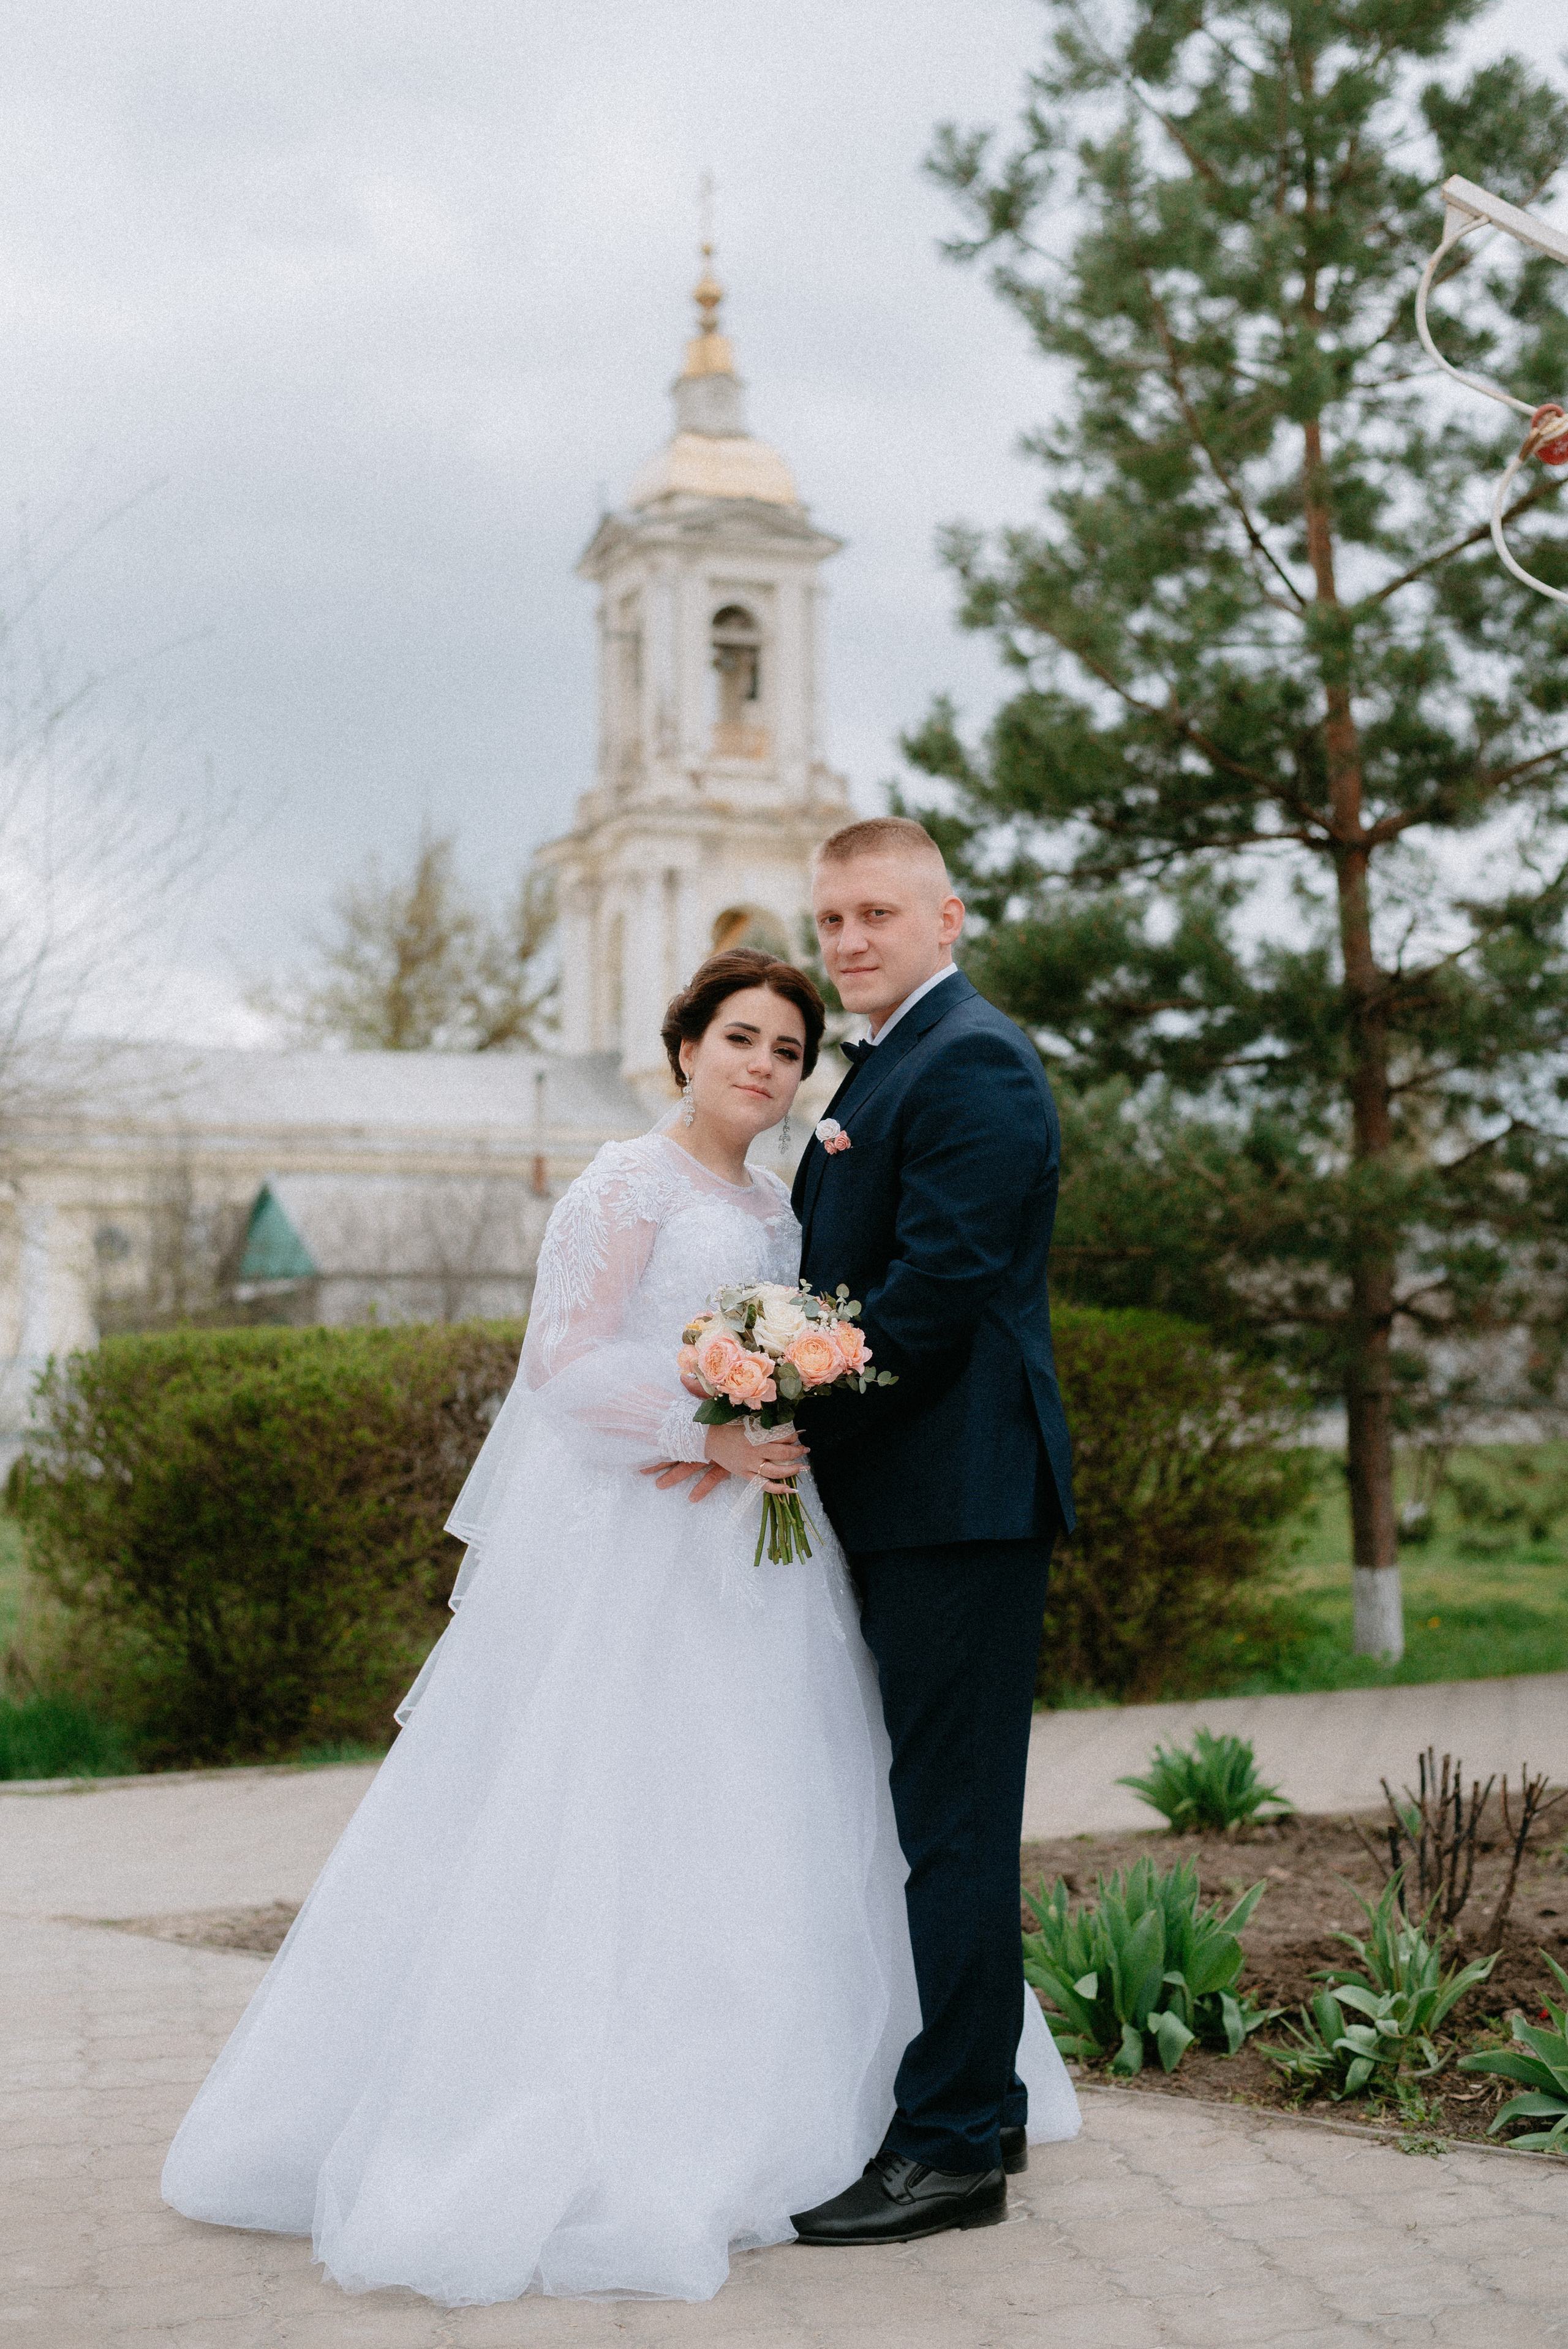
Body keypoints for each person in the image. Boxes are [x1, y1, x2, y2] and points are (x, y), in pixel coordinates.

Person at [160, 945, 1078, 2307]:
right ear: (684, 1045)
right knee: (622, 1810)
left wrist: (773, 1414)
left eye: (785, 1049)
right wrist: (696, 1431)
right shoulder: (622, 1182)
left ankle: (821, 2110)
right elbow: (563, 1360)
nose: (762, 1066)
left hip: (772, 1558)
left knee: (792, 1807)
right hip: (648, 1551)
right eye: (739, 1040)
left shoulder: (779, 1198)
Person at [666, 820, 1075, 2245]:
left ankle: (952, 2146)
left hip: (957, 1504)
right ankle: (992, 2105)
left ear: (945, 915)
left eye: (875, 915)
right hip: (909, 1501)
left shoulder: (968, 1064)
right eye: (829, 916)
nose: (846, 941)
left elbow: (928, 1303)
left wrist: (777, 1421)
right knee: (939, 1821)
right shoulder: (886, 1060)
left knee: (950, 1830)